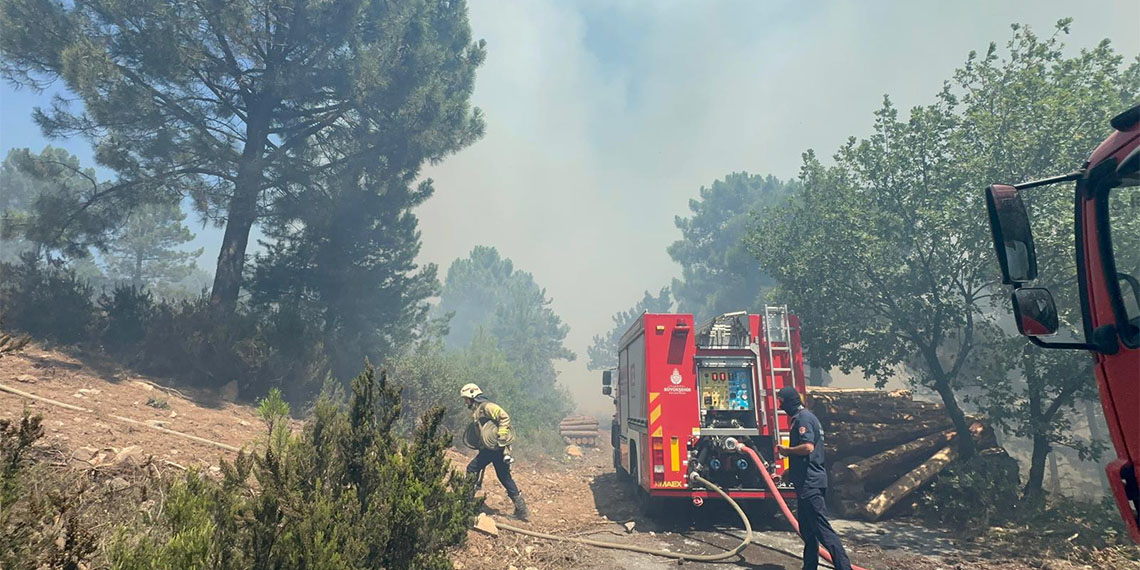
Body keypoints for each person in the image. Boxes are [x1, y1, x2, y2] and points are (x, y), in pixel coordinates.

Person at [775, 386, 852, 570]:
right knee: (808, 531)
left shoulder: (804, 419)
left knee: (823, 531)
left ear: (789, 401)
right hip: (805, 483)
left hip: (811, 484)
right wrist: (787, 473)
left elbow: (808, 447)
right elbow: (808, 456)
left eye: (781, 401)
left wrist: (786, 451)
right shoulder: (803, 418)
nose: (780, 405)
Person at [460, 383, 529, 521]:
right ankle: (521, 509)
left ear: (473, 396)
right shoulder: (478, 409)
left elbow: (504, 417)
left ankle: (467, 502)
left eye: (466, 398)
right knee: (504, 476)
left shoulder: (487, 406)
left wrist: (501, 436)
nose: (465, 401)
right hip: (493, 449)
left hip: (494, 448)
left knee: (472, 468)